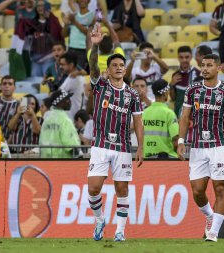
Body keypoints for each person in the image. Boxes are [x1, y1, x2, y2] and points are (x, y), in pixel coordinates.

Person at [177, 54, 224, 242]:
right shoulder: (193, 90)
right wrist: (181, 141)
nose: (204, 69)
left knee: (220, 189)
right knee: (197, 190)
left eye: (209, 65)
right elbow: (184, 117)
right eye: (203, 65)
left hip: (219, 146)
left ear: (219, 68)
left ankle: (213, 232)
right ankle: (209, 216)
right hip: (197, 147)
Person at [87, 23, 144, 242]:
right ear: (109, 70)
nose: (119, 67)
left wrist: (139, 147)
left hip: (122, 147)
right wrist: (95, 47)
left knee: (122, 189)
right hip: (100, 145)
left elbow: (138, 122)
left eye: (122, 65)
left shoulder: (132, 94)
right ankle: (100, 219)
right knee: (94, 188)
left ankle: (120, 231)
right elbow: (92, 66)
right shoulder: (100, 85)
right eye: (115, 65)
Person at [143, 79, 179, 159]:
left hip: (146, 157)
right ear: (165, 93)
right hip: (165, 158)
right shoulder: (169, 113)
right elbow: (175, 140)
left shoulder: (144, 112)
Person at [26, 0, 63, 77]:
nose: (40, 8)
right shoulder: (32, 23)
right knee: (35, 82)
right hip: (35, 59)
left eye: (42, 5)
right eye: (38, 6)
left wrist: (50, 17)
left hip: (49, 57)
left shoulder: (54, 21)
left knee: (47, 82)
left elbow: (59, 36)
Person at [39, 89, 80, 158]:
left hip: (45, 162)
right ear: (60, 102)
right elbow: (72, 146)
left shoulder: (47, 120)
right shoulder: (65, 120)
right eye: (67, 99)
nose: (70, 101)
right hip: (63, 163)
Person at [62, 0, 94, 71]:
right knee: (69, 73)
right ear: (77, 1)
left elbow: (88, 33)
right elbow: (64, 35)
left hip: (83, 50)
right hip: (71, 48)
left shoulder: (93, 15)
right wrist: (66, 25)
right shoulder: (72, 15)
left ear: (89, 1)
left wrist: (74, 21)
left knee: (78, 74)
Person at [169, 46, 201, 117]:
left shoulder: (199, 74)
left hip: (195, 113)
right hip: (179, 112)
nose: (184, 60)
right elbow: (173, 98)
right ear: (178, 58)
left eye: (187, 57)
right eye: (181, 57)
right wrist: (171, 85)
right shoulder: (175, 75)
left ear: (191, 57)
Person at [59, 52, 87, 120]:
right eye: (60, 64)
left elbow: (58, 94)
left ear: (71, 65)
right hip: (73, 117)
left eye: (63, 65)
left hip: (72, 118)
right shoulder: (75, 76)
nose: (60, 67)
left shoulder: (73, 78)